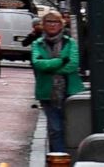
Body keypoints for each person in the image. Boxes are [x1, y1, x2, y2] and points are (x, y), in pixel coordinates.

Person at [31, 9, 84, 154]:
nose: (52, 25)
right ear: (43, 24)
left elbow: (73, 64)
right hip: (47, 92)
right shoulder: (37, 43)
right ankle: (58, 158)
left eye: (55, 22)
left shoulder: (70, 42)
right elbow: (37, 63)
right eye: (49, 21)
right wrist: (61, 60)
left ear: (61, 25)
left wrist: (51, 67)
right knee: (55, 128)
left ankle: (73, 156)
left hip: (69, 90)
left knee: (73, 127)